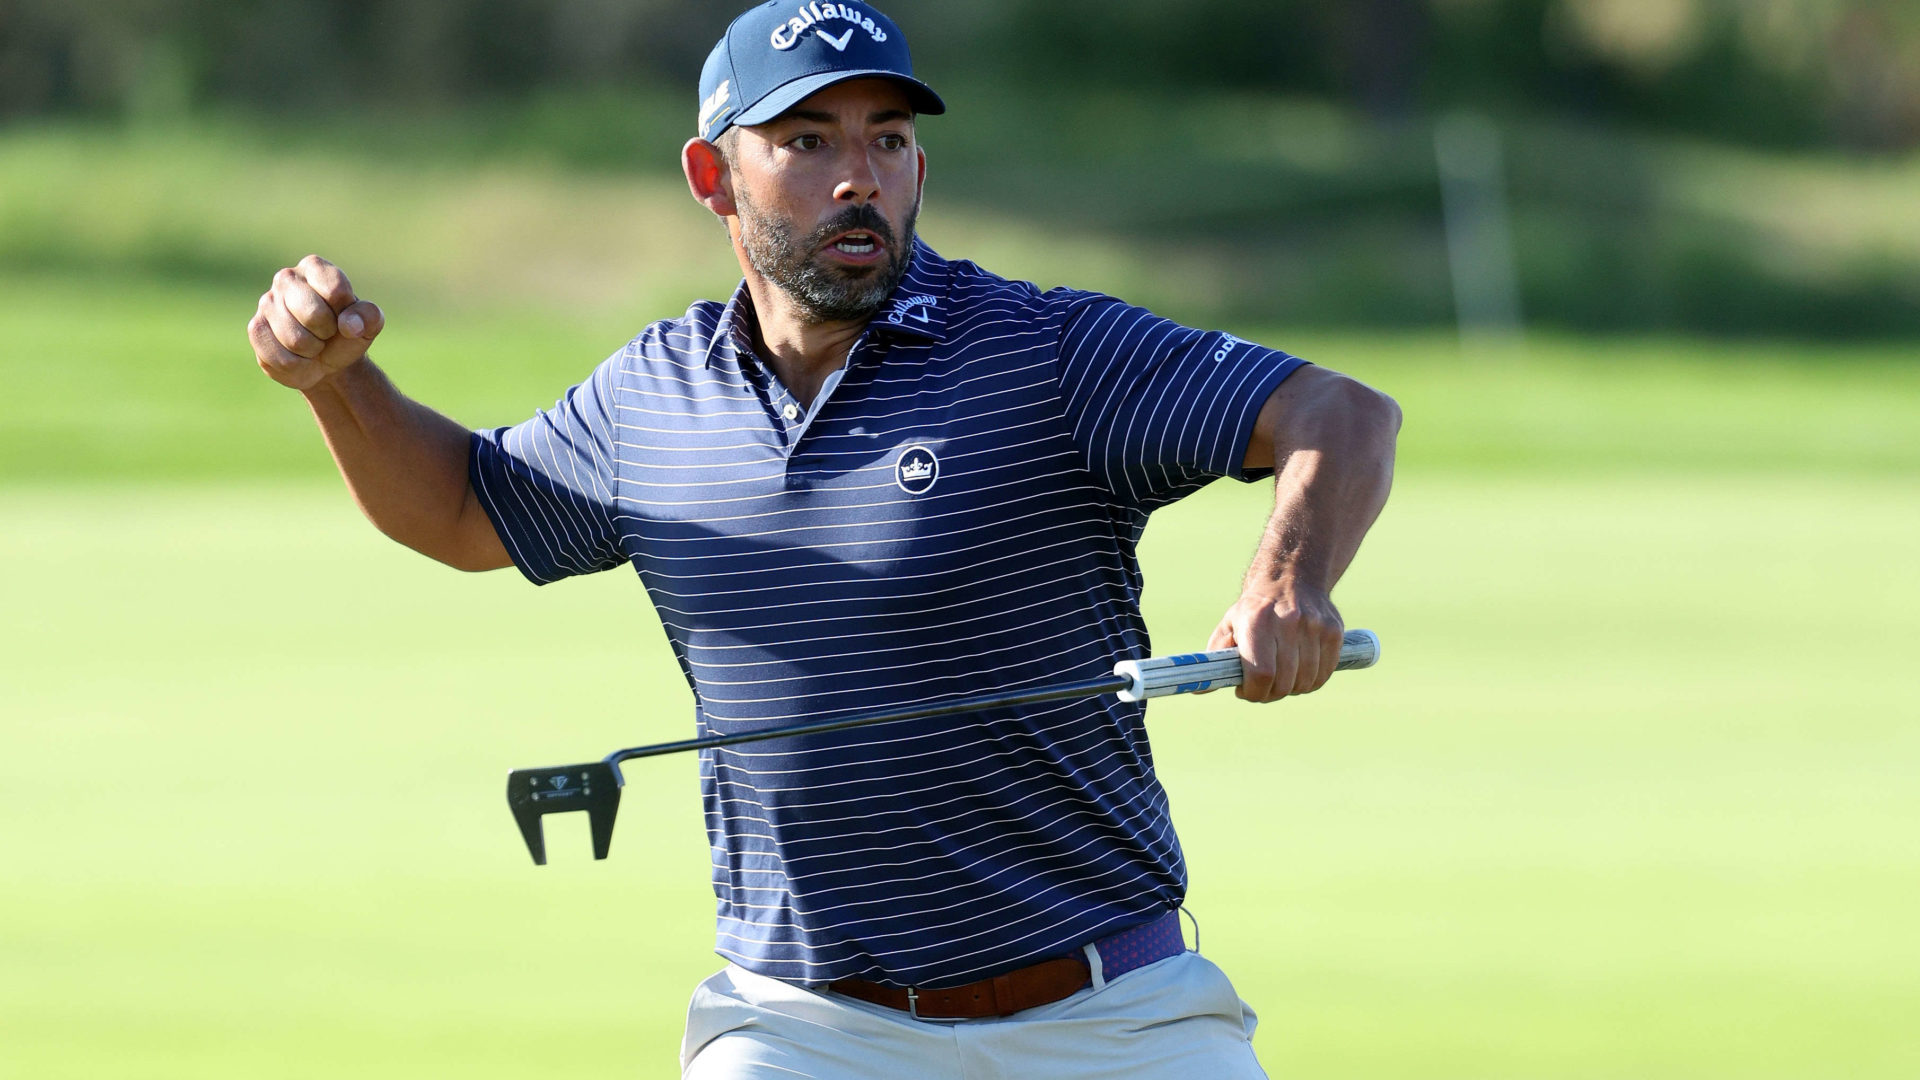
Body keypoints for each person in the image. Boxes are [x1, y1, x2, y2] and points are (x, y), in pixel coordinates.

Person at [246, 2, 1400, 1076]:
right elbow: (459, 510)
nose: (860, 179)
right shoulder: (653, 394)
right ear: (714, 177)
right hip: (805, 1029)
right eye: (807, 142)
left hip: (1109, 1018)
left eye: (887, 141)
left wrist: (1286, 585)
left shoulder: (1044, 353)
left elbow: (1339, 414)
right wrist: (338, 385)